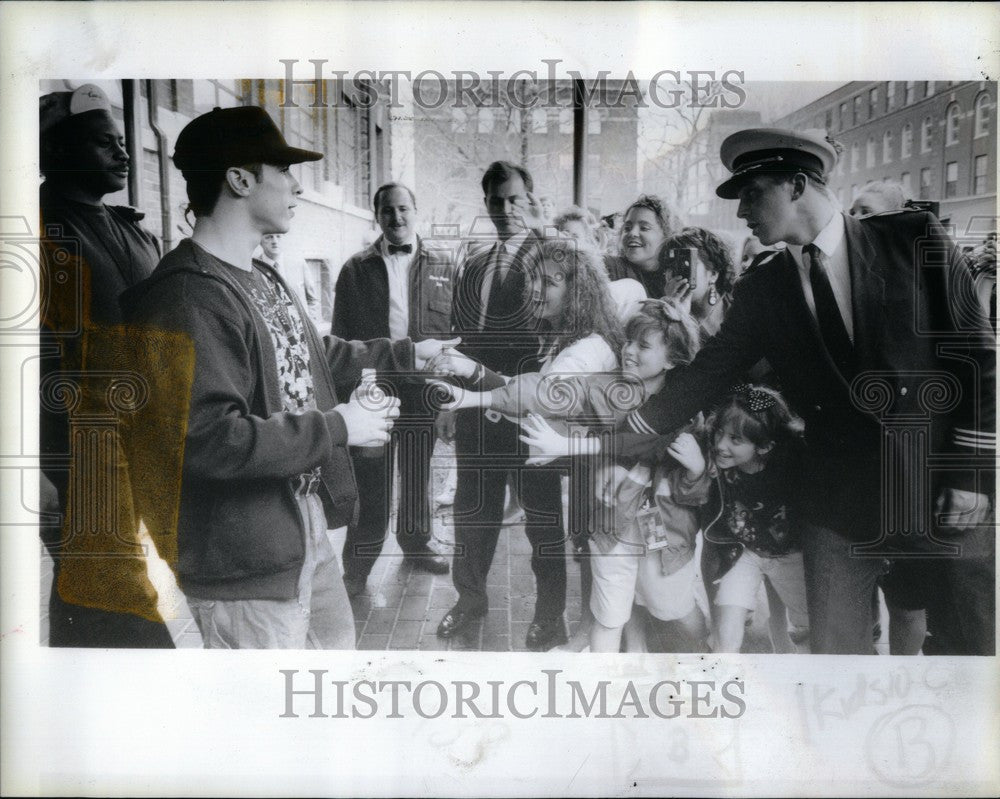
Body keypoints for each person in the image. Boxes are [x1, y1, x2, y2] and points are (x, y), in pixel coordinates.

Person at [612, 127, 995, 655]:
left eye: (751, 193)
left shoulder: (913, 241)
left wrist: (972, 475)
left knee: (969, 654)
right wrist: (617, 437)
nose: (742, 210)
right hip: (837, 499)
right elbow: (710, 372)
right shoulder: (763, 287)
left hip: (936, 487)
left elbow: (977, 357)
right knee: (834, 658)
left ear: (796, 185)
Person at [121, 106, 457, 649]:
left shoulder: (259, 274)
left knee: (327, 685)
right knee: (268, 721)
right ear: (239, 179)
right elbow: (209, 439)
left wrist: (410, 354)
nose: (295, 184)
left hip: (301, 528)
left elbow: (313, 352)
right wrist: (338, 426)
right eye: (282, 170)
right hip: (243, 560)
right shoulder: (187, 297)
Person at [433, 239, 623, 651]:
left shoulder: (586, 347)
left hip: (554, 443)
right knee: (482, 513)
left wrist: (473, 378)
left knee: (546, 527)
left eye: (551, 281)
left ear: (578, 290)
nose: (536, 289)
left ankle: (550, 616)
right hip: (528, 431)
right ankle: (477, 600)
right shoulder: (559, 334)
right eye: (533, 279)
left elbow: (538, 394)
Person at [38, 83, 172, 648]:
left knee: (88, 592)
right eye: (103, 143)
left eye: (121, 140)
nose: (122, 153)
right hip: (76, 452)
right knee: (115, 595)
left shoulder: (132, 231)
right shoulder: (37, 232)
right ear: (58, 153)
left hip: (131, 444)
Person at [516, 299, 712, 654]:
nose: (629, 351)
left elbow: (648, 448)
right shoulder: (599, 389)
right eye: (628, 341)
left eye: (643, 345)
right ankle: (604, 693)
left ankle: (708, 647)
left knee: (671, 607)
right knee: (608, 616)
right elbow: (562, 411)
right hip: (611, 525)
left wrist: (697, 469)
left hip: (662, 530)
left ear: (671, 360)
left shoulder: (682, 407)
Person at [437, 160, 570, 651]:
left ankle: (550, 614)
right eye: (496, 200)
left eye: (514, 198)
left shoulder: (552, 258)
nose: (505, 209)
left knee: (541, 518)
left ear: (530, 200)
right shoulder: (474, 265)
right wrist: (449, 404)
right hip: (476, 410)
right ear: (486, 204)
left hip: (531, 412)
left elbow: (563, 332)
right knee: (473, 511)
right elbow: (462, 341)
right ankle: (469, 598)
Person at [332, 182, 454, 596]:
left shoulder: (444, 264)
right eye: (388, 211)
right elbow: (341, 338)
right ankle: (359, 564)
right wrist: (350, 394)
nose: (397, 218)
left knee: (419, 474)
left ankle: (416, 544)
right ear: (377, 216)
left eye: (404, 209)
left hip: (423, 390)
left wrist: (450, 388)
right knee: (372, 480)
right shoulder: (355, 269)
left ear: (416, 210)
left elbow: (456, 333)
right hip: (376, 392)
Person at [671, 385, 809, 653]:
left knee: (809, 628)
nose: (721, 445)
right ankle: (723, 677)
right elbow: (689, 494)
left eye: (735, 440)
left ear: (765, 446)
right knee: (726, 629)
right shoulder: (715, 461)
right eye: (720, 433)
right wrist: (697, 470)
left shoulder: (789, 467)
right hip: (745, 553)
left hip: (790, 555)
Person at [660, 226, 739, 338]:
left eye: (686, 265)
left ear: (713, 274)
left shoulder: (738, 305)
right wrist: (674, 315)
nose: (676, 274)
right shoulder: (664, 316)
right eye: (671, 267)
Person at [605, 195, 679, 297]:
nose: (632, 233)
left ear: (666, 236)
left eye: (644, 228)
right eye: (627, 228)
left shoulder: (676, 277)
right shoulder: (608, 267)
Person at [256, 232, 321, 327]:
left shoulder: (298, 263)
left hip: (302, 328)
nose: (274, 241)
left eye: (278, 236)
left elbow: (312, 299)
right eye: (269, 237)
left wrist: (310, 324)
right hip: (274, 331)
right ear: (260, 241)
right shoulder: (255, 267)